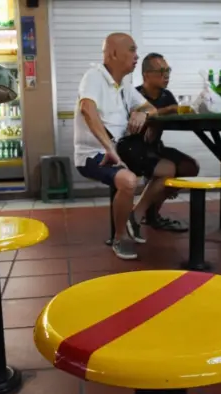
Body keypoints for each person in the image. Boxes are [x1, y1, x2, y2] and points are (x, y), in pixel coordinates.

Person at [74, 33, 175, 260]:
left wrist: (141, 111)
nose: (137, 56)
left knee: (168, 169)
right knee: (128, 180)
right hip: (94, 154)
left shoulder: (124, 86)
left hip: (120, 151)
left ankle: (134, 218)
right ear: (113, 53)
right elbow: (87, 110)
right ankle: (120, 238)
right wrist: (107, 146)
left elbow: (152, 109)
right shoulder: (94, 77)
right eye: (132, 49)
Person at [136, 53, 200, 232]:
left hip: (156, 147)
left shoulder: (167, 95)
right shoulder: (135, 95)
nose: (167, 75)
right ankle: (147, 215)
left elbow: (178, 117)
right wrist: (169, 110)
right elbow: (134, 119)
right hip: (136, 149)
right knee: (168, 168)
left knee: (190, 167)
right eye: (161, 71)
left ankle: (152, 212)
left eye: (168, 70)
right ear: (146, 74)